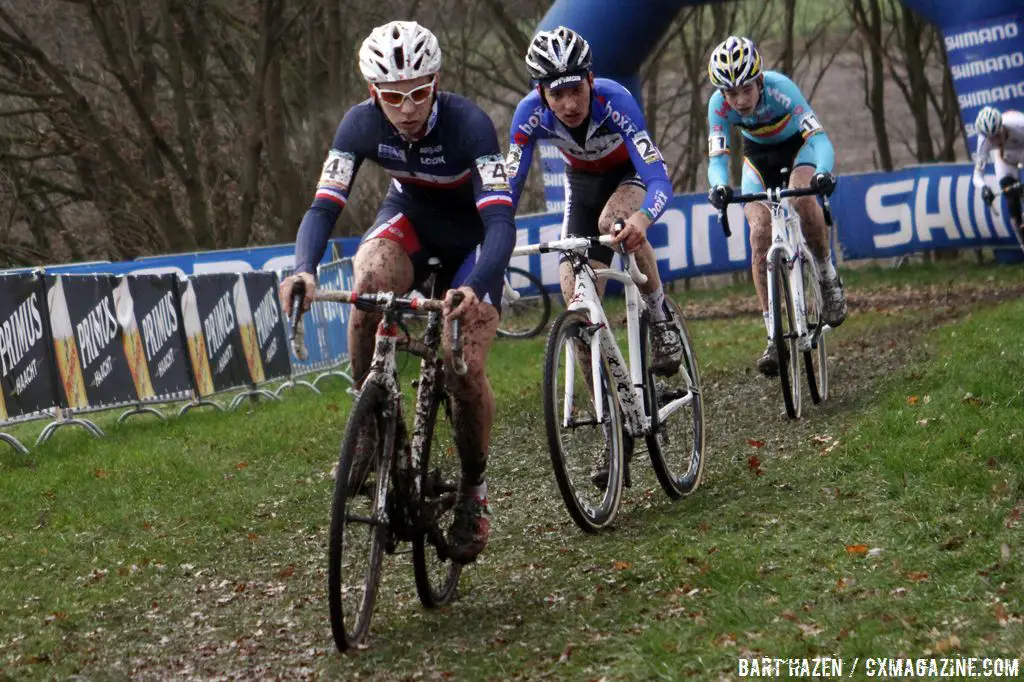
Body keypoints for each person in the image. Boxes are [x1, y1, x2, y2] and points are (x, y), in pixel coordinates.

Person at [279, 21, 515, 564]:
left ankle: (474, 495)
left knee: (463, 370)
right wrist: (304, 270)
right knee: (367, 289)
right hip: (409, 222)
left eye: (418, 94)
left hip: (474, 243)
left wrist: (477, 286)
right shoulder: (359, 126)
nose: (407, 109)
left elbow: (502, 222)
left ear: (436, 83)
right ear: (372, 94)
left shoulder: (470, 126)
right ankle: (372, 423)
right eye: (392, 98)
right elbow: (323, 206)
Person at [507, 26, 682, 378]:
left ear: (590, 79)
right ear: (540, 93)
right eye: (558, 95)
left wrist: (643, 219)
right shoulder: (528, 115)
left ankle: (660, 318)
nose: (570, 105)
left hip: (628, 176)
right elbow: (508, 189)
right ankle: (613, 418)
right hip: (583, 186)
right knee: (577, 303)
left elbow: (658, 178)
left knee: (613, 222)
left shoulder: (614, 100)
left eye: (576, 89)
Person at [705, 36, 847, 377]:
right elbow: (717, 158)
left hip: (799, 151)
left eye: (745, 91)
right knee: (758, 234)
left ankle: (827, 276)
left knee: (800, 194)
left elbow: (819, 139)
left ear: (759, 80)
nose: (739, 101)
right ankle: (773, 334)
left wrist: (823, 173)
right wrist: (720, 186)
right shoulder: (718, 106)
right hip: (757, 160)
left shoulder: (782, 89)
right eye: (730, 93)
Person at [974, 106, 1024, 240]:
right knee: (1010, 196)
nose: (996, 140)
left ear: (1002, 126)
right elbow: (977, 176)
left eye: (997, 135)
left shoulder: (1018, 123)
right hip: (1005, 156)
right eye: (991, 139)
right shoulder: (983, 142)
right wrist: (984, 188)